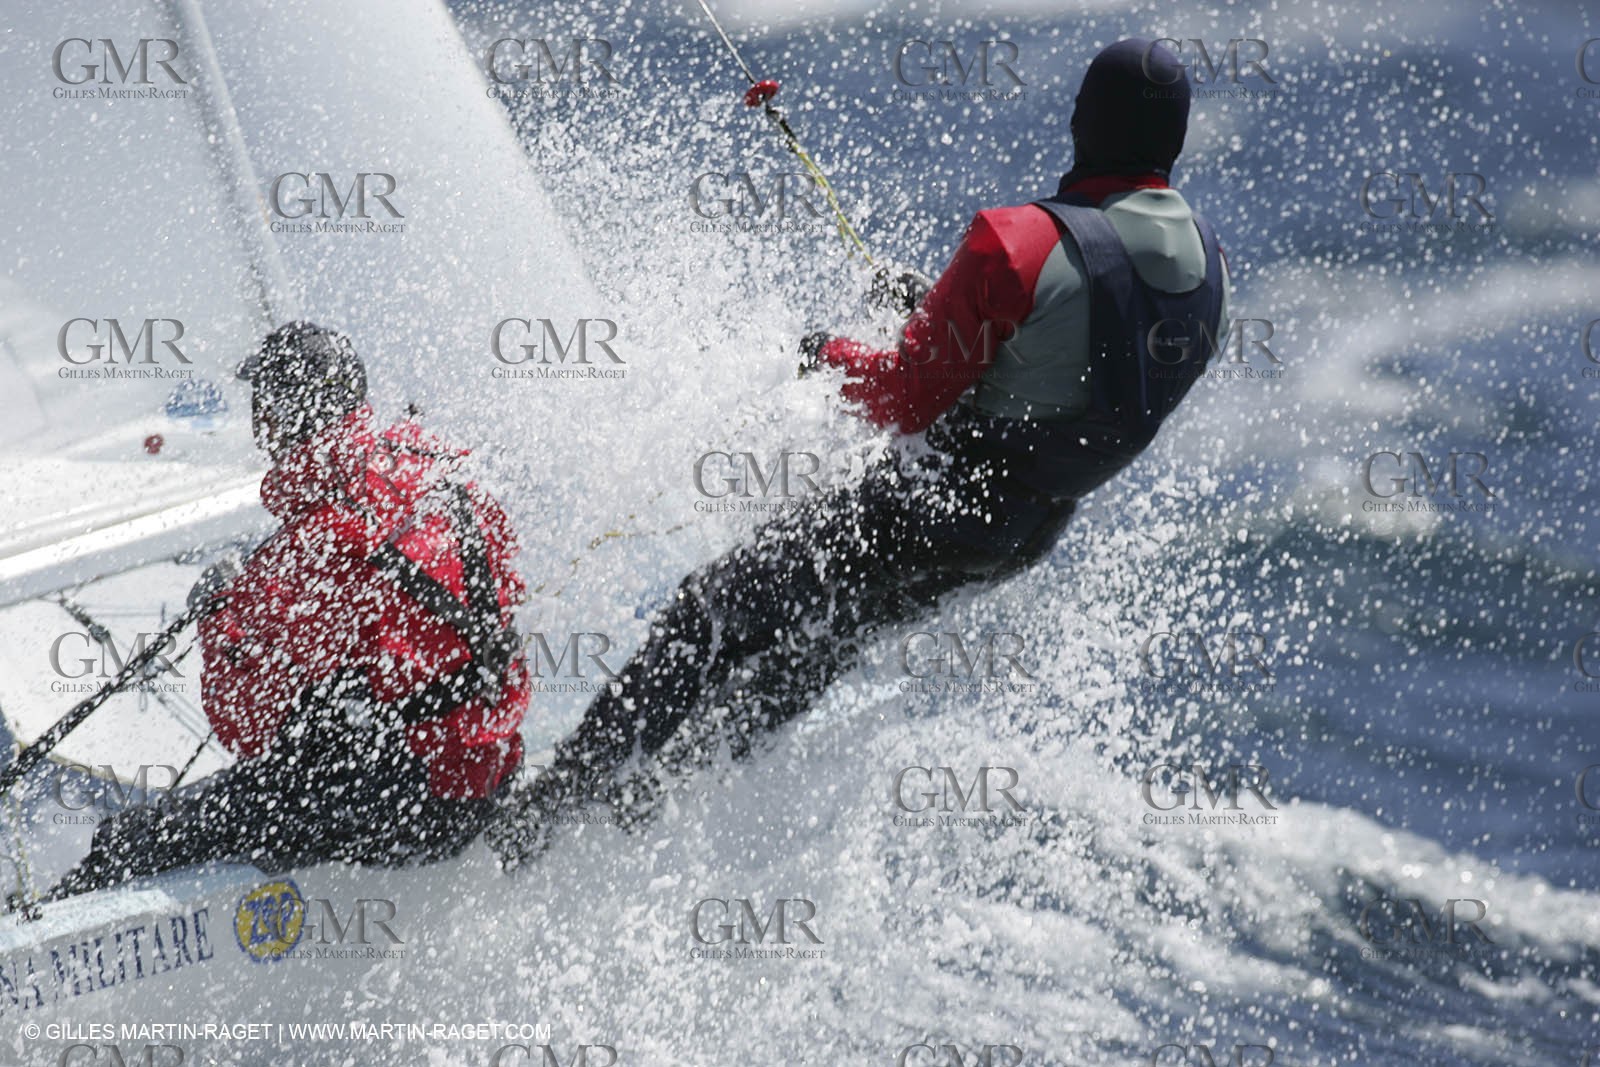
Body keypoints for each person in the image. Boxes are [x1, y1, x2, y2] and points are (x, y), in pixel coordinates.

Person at [489, 37, 1231, 865]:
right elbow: (1079, 353)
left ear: (1079, 122)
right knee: (819, 641)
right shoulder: (1211, 264)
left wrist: (824, 350)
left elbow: (900, 400)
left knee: (711, 612)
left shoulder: (1015, 241)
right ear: (1173, 142)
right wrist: (943, 320)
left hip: (929, 509)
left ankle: (537, 823)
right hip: (1023, 534)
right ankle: (650, 804)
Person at [49, 322, 530, 899]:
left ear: (274, 419)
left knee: (127, 841)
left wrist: (218, 613)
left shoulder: (316, 539)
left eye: (261, 411)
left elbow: (245, 725)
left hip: (414, 808)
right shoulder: (442, 465)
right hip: (492, 773)